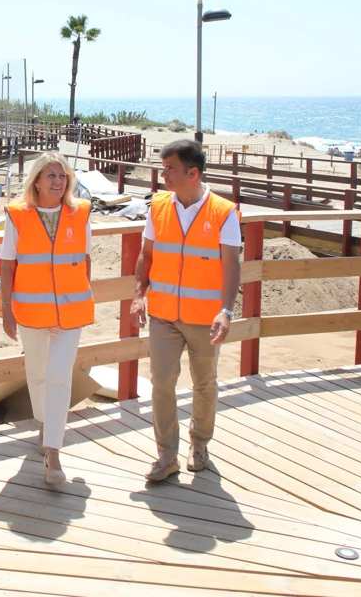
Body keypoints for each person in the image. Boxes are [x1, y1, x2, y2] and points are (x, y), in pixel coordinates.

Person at [130, 139, 242, 482]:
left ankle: (200, 444)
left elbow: (232, 266)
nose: (163, 177)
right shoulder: (159, 206)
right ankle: (166, 456)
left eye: (170, 170)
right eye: (163, 169)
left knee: (204, 383)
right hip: (163, 314)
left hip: (205, 319)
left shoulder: (224, 212)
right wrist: (138, 296)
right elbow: (146, 256)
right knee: (161, 383)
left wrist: (226, 311)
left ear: (192, 173)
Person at [0, 151, 94, 484]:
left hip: (70, 312)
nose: (58, 182)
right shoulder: (17, 216)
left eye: (63, 176)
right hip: (31, 311)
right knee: (37, 374)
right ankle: (44, 426)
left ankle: (53, 454)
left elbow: (85, 260)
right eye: (51, 176)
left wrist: (82, 293)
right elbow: (8, 265)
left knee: (58, 376)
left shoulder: (80, 213)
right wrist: (6, 309)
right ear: (36, 181)